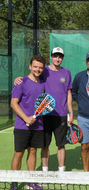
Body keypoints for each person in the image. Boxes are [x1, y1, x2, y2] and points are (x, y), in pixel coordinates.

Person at [14, 47, 73, 172]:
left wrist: (70, 112)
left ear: (62, 58)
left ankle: (61, 174)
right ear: (51, 57)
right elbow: (30, 78)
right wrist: (19, 79)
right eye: (55, 56)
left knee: (58, 145)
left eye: (60, 56)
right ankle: (43, 175)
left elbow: (68, 93)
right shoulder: (43, 70)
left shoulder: (66, 72)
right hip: (44, 116)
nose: (57, 59)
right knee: (42, 146)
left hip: (60, 115)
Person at [10, 55, 46, 190]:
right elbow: (14, 103)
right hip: (21, 126)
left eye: (40, 67)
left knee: (33, 152)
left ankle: (31, 181)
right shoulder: (21, 82)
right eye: (35, 66)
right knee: (18, 153)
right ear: (30, 66)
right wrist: (26, 118)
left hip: (38, 125)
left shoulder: (43, 84)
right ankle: (14, 182)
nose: (38, 69)